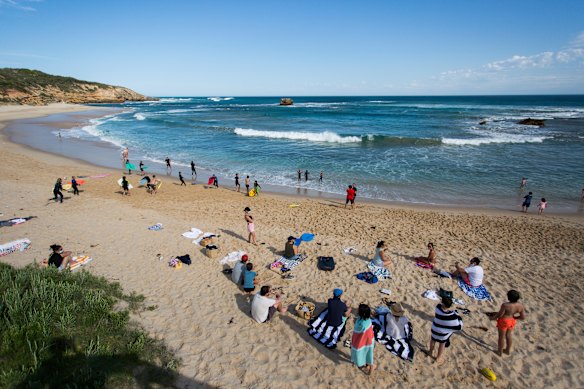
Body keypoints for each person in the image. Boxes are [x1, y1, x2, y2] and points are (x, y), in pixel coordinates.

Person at [490, 289, 526, 356]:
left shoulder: (505, 305)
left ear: (508, 297)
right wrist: (515, 318)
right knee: (508, 335)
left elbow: (500, 314)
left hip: (504, 321)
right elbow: (522, 317)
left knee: (501, 337)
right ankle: (507, 350)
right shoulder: (520, 306)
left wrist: (493, 318)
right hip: (512, 321)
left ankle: (499, 352)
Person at [428, 296, 463, 365]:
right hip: (442, 334)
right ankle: (438, 357)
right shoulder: (452, 316)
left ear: (443, 303)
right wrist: (457, 315)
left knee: (433, 340)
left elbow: (440, 305)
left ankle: (430, 351)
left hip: (434, 330)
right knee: (442, 343)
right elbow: (459, 327)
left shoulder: (437, 308)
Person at [351, 303, 375, 375]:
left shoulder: (362, 324)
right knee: (368, 353)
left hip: (363, 341)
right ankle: (368, 366)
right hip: (369, 340)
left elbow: (358, 331)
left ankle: (371, 367)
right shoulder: (368, 320)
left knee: (364, 353)